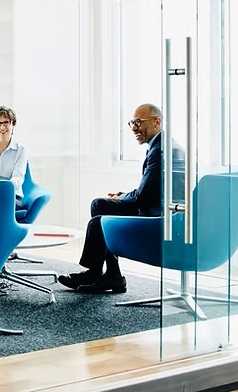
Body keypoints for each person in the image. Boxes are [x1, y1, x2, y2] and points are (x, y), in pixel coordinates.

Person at [58, 103, 184, 294]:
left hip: (158, 217)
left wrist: (123, 196)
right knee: (100, 205)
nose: (134, 127)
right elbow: (150, 190)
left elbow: (143, 197)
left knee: (98, 220)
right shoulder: (162, 144)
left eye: (139, 122)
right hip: (157, 208)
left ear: (157, 122)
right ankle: (110, 275)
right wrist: (122, 196)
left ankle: (99, 273)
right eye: (132, 122)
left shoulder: (160, 150)